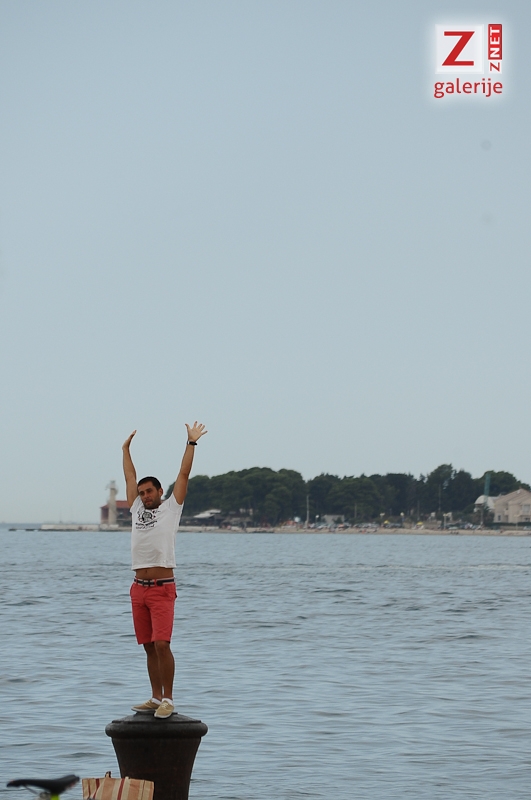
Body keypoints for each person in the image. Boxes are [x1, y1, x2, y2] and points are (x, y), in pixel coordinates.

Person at [122, 421, 207, 718]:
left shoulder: (171, 508)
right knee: (148, 646)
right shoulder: (136, 509)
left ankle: (168, 699)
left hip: (162, 588)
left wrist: (191, 442)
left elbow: (183, 474)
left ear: (160, 491)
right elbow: (130, 475)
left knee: (161, 644)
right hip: (138, 589)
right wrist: (125, 449)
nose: (145, 496)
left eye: (149, 491)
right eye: (142, 493)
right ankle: (155, 697)